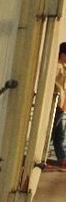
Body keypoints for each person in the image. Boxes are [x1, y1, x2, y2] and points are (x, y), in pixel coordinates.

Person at [46, 42, 66, 171]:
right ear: (63, 54)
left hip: (61, 107)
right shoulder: (57, 67)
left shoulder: (62, 67)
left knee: (58, 137)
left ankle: (62, 161)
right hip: (57, 106)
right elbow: (53, 84)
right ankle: (41, 160)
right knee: (51, 135)